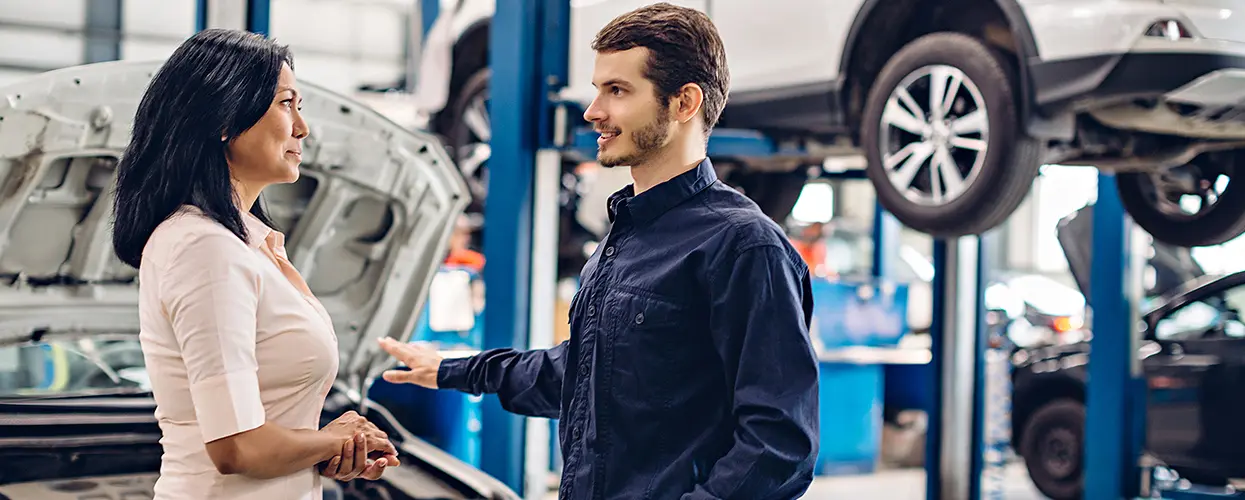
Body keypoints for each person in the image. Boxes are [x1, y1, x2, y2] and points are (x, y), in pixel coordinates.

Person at [378, 4, 820, 499]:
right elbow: (582, 373)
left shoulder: (744, 246)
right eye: (597, 89)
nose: (593, 112)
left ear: (684, 102)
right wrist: (452, 369)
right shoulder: (623, 237)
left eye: (617, 91)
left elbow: (778, 446)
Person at [110, 28, 397, 499]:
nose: (302, 128)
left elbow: (263, 429)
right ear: (224, 118)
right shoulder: (204, 249)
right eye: (287, 103)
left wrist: (326, 448)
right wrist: (339, 438)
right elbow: (237, 447)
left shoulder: (242, 244)